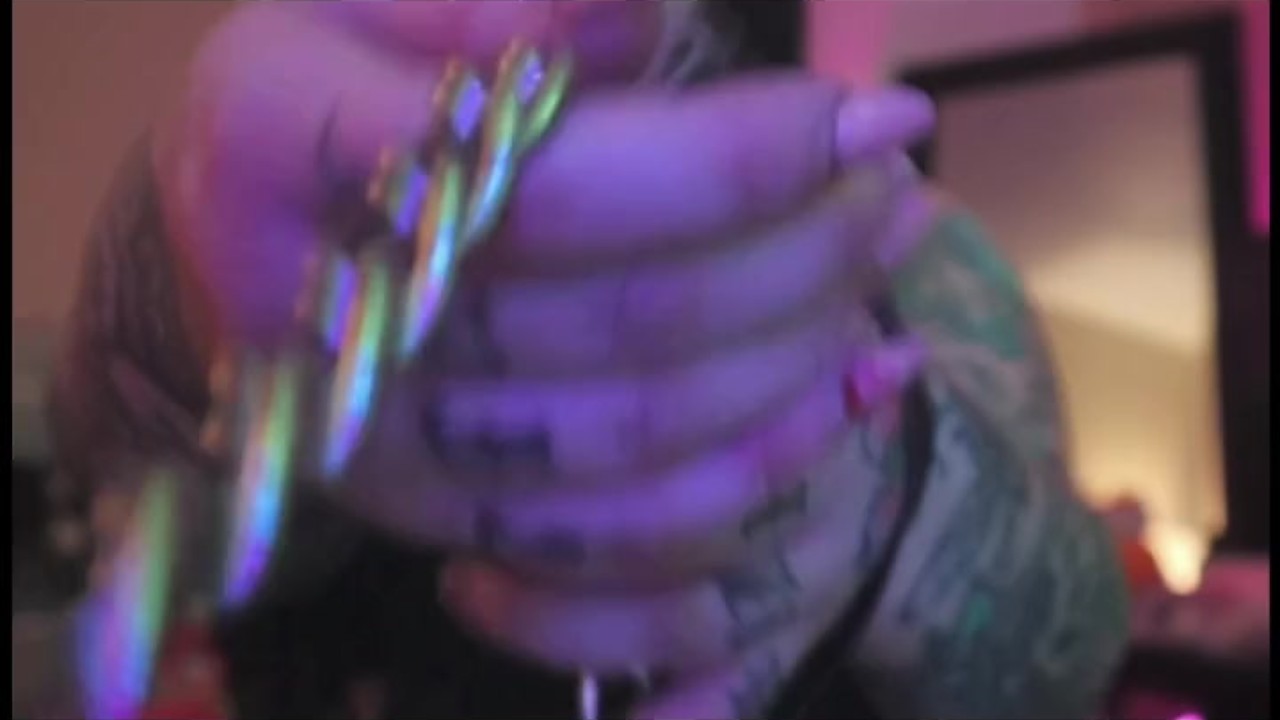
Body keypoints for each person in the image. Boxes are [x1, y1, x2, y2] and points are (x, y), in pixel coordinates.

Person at [46, 3, 1129, 718]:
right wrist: (186, 277)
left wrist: (896, 494)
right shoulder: (328, 196)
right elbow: (120, 520)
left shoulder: (902, 236)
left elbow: (1068, 649)